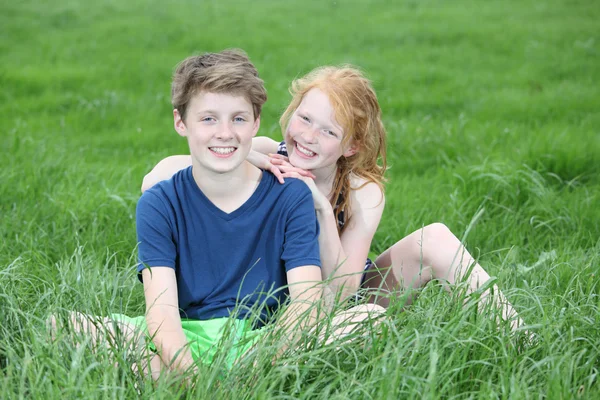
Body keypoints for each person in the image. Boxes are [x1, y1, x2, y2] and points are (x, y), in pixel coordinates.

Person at [49, 50, 382, 382]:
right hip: (186, 332)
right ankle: (184, 378)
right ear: (181, 122)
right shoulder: (163, 200)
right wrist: (196, 380)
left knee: (371, 318)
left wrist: (252, 372)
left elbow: (314, 302)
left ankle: (179, 379)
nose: (224, 132)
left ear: (254, 122)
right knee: (61, 326)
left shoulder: (299, 194)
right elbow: (162, 313)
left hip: (264, 339)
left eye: (238, 119)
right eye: (208, 119)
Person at [143, 64, 525, 330]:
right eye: (304, 119)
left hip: (342, 293)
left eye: (328, 132)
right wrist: (253, 157)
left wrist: (322, 209)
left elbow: (344, 291)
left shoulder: (362, 191)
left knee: (438, 238)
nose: (308, 136)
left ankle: (520, 335)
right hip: (280, 296)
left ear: (350, 146)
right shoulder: (267, 151)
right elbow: (156, 175)